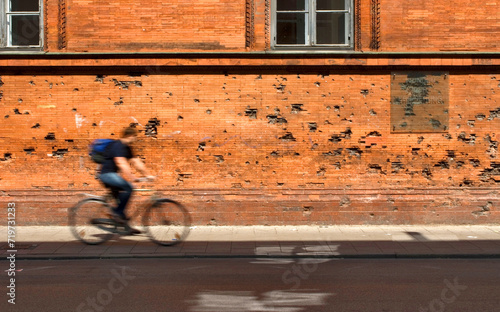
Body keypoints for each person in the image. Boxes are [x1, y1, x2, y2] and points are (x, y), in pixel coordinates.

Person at [98, 127, 155, 233]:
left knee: (120, 201)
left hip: (113, 175)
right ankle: (116, 213)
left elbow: (137, 162)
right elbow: (121, 163)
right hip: (106, 174)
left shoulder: (127, 148)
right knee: (128, 188)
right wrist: (132, 178)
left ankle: (125, 226)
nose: (135, 139)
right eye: (135, 137)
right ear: (130, 136)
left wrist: (148, 175)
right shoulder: (118, 145)